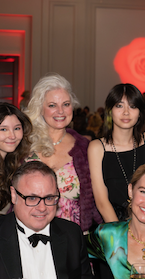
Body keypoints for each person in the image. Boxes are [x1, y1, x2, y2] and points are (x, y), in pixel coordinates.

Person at [23, 73, 102, 231]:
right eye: (52, 105)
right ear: (40, 108)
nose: (60, 111)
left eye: (66, 104)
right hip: (27, 235)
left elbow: (97, 201)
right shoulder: (24, 145)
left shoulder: (85, 149)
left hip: (73, 237)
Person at [88, 83, 145, 222]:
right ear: (110, 111)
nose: (126, 112)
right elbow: (102, 202)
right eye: (119, 106)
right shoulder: (97, 148)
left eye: (132, 106)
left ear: (140, 112)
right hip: (114, 225)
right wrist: (121, 233)